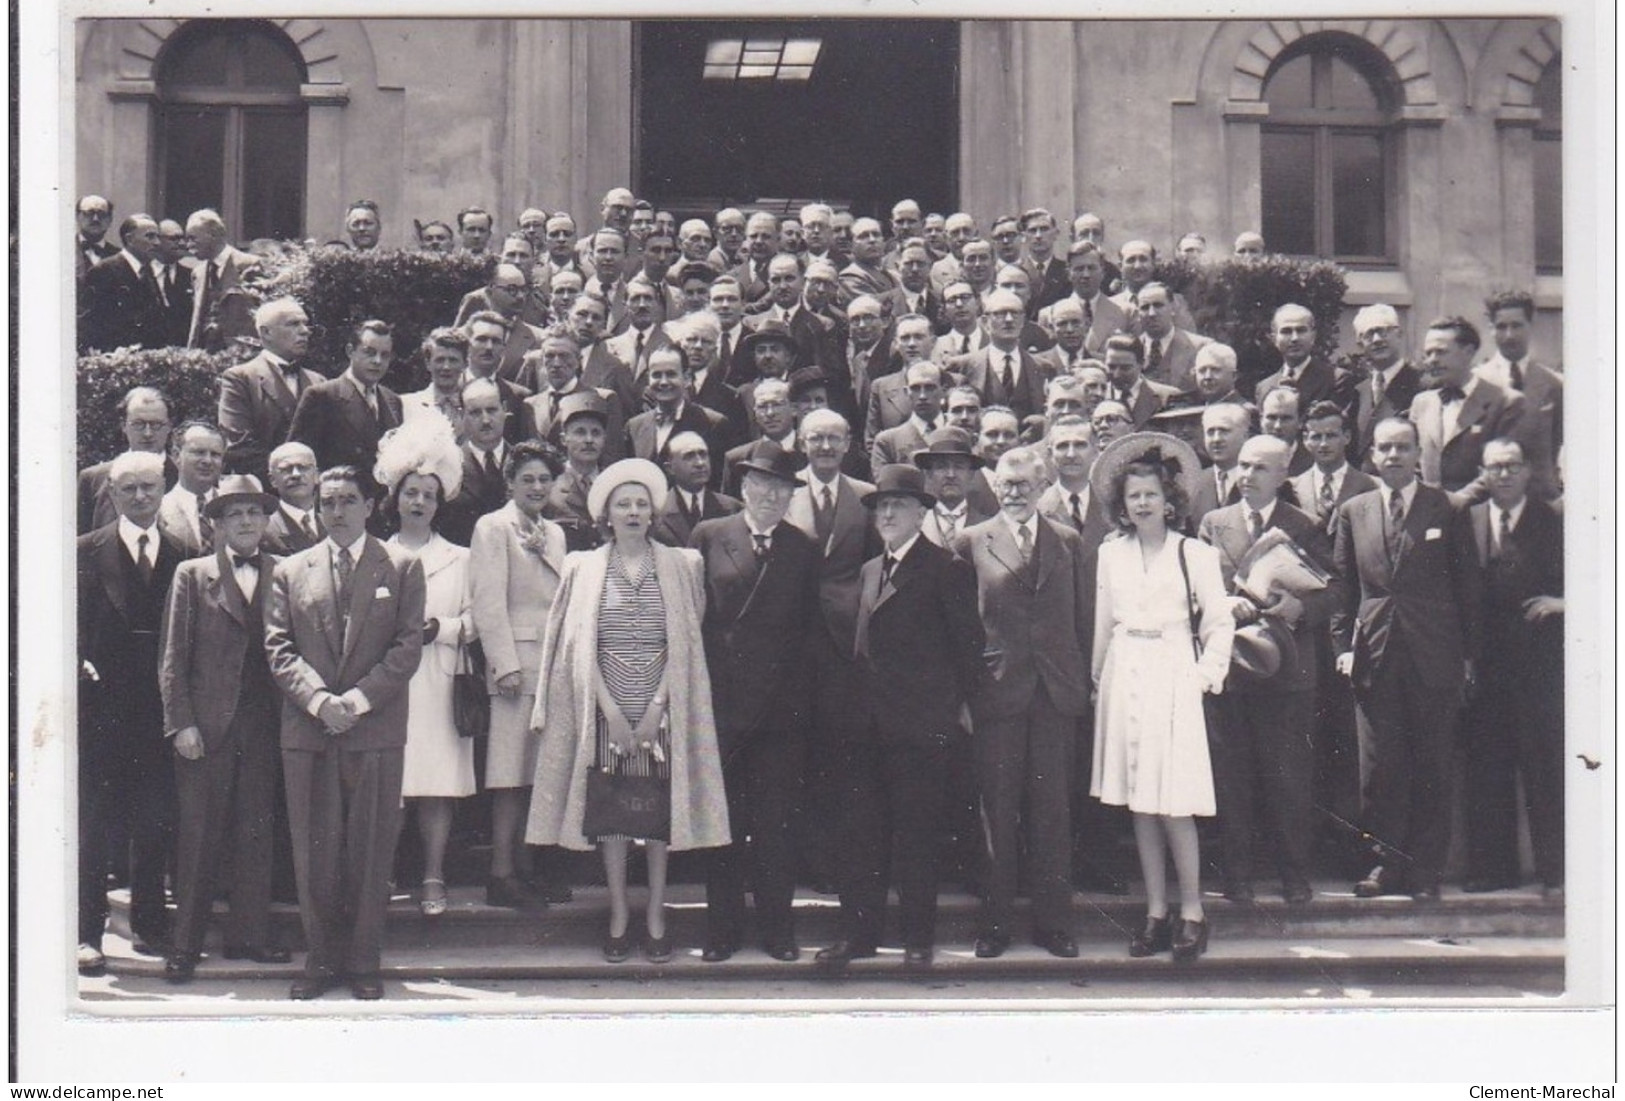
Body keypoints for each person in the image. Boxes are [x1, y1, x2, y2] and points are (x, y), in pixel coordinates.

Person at [528, 458, 730, 963]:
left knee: (658, 813)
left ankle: (657, 914)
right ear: (608, 514)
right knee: (613, 814)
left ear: (654, 512)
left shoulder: (682, 565)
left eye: (642, 504)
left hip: (661, 705)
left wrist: (658, 705)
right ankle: (619, 913)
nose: (634, 512)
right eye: (624, 504)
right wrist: (611, 711)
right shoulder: (584, 566)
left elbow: (684, 640)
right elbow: (578, 646)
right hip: (604, 707)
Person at [263, 464, 426, 1000]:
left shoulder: (400, 566)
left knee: (370, 850)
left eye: (348, 501)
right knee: (315, 851)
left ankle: (363, 962)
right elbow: (279, 648)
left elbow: (406, 648)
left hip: (373, 730)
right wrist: (318, 701)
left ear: (368, 506)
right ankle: (320, 960)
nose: (336, 511)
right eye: (327, 501)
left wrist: (354, 702)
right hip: (309, 733)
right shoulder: (290, 570)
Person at [816, 464, 985, 972]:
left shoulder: (946, 567)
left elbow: (968, 650)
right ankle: (859, 936)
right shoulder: (871, 570)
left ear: (920, 513)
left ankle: (917, 939)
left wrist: (942, 717)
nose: (887, 513)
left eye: (898, 505)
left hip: (919, 729)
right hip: (866, 729)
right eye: (880, 506)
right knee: (861, 833)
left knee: (916, 834)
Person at [1090, 432, 1233, 960]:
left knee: (1174, 803)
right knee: (1141, 806)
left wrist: (1202, 677)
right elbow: (1104, 623)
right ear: (1121, 506)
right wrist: (1097, 679)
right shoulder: (1111, 554)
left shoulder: (1193, 553)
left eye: (1151, 494)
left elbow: (1219, 622)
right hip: (1125, 674)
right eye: (1134, 497)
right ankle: (1155, 911)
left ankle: (1192, 911)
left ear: (1170, 500)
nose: (1143, 503)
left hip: (1173, 675)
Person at [953, 446, 1095, 959]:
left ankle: (1053, 924)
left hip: (1055, 693)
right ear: (995, 488)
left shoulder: (1068, 540)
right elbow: (961, 627)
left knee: (1052, 812)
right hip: (996, 692)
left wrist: (1081, 681)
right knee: (998, 811)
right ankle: (995, 925)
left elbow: (1082, 618)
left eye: (1026, 485)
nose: (1015, 493)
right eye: (1007, 485)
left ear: (1043, 486)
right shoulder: (970, 541)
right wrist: (964, 695)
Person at [1331, 417, 1482, 901]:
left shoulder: (1448, 508)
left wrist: (1467, 657)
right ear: (1371, 455)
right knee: (1380, 767)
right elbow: (1342, 590)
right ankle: (1385, 865)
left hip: (1435, 655)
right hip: (1375, 655)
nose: (1393, 456)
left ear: (1419, 453)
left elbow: (1469, 590)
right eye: (1384, 448)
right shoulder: (1354, 510)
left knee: (1433, 764)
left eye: (1403, 447)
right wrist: (1344, 649)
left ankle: (1425, 872)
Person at [688, 440, 820, 962]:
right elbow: (695, 621)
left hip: (780, 714)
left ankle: (777, 929)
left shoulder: (804, 547)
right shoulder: (709, 537)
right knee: (722, 824)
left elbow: (809, 635)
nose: (769, 495)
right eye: (760, 484)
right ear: (743, 488)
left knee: (776, 825)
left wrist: (797, 706)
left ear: (791, 496)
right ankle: (722, 930)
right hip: (721, 709)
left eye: (781, 488)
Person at [1198, 435, 1342, 905]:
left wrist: (1297, 606)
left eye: (1260, 468)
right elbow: (1197, 588)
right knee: (1232, 776)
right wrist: (1225, 603)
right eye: (1242, 466)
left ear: (1283, 474)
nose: (1247, 475)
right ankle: (1237, 875)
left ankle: (1293, 875)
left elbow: (1335, 591)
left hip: (1288, 670)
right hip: (1232, 667)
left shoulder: (1305, 524)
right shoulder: (1213, 523)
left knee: (1288, 777)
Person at [157, 474, 290, 982]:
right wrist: (181, 723)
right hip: (207, 728)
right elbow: (173, 657)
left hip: (264, 726)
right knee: (198, 835)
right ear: (216, 522)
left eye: (254, 512)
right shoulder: (192, 575)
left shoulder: (283, 571)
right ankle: (185, 945)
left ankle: (249, 936)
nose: (246, 521)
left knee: (256, 832)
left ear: (266, 520)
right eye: (235, 513)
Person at [77, 451, 185, 976]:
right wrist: (77, 664)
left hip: (159, 711)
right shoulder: (85, 552)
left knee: (154, 820)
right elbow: (65, 627)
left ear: (163, 487)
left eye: (149, 486)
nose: (140, 497)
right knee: (96, 825)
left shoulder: (186, 555)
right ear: (112, 496)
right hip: (103, 710)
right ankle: (87, 934)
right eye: (129, 489)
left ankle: (149, 927)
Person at [375, 421, 477, 918]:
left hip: (439, 679)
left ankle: (433, 873)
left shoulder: (459, 558)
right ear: (396, 498)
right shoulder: (376, 556)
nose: (419, 502)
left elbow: (481, 617)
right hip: (391, 685)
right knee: (391, 783)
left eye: (429, 495)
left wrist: (447, 628)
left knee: (437, 783)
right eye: (411, 493)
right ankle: (383, 873)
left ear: (440, 503)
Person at [469, 440, 574, 908]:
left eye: (544, 479)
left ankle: (530, 868)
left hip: (552, 664)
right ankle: (500, 872)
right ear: (509, 482)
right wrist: (504, 665)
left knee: (539, 773)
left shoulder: (555, 533)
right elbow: (488, 602)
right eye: (526, 478)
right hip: (515, 666)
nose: (536, 487)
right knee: (508, 774)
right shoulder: (492, 527)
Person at [1462, 439, 1563, 898]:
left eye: (1511, 465)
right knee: (1488, 770)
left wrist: (1561, 603)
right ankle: (1493, 871)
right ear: (1483, 473)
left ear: (1526, 471)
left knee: (1545, 770)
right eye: (1494, 467)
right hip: (1486, 668)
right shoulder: (1470, 520)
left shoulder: (1553, 520)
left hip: (1539, 666)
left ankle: (1554, 871)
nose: (1503, 474)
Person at [1410, 316, 1525, 498]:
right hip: (1429, 517)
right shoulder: (1422, 403)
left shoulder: (1506, 402)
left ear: (1469, 352)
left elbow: (1504, 467)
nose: (1432, 360)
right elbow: (1414, 463)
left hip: (1479, 517)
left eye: (1440, 352)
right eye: (1428, 353)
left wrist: (1457, 502)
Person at [218, 298, 323, 481]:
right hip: (265, 492)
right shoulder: (240, 378)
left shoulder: (318, 381)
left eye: (306, 324)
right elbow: (239, 446)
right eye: (293, 324)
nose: (305, 331)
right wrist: (288, 478)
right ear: (266, 332)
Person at [286, 320, 404, 476]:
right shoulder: (322, 396)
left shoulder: (392, 400)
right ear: (350, 351)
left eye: (385, 355)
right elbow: (297, 459)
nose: (377, 361)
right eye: (369, 352)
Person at [1476, 289, 1563, 501]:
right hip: (1490, 502)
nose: (1509, 335)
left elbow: (1559, 442)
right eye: (1501, 327)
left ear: (1531, 325)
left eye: (1516, 326)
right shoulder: (1477, 381)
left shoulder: (1554, 384)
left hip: (1541, 501)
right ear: (1490, 329)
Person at [78, 386, 176, 534]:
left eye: (156, 425)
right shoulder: (93, 480)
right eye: (138, 424)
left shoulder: (184, 477)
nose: (147, 433)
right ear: (124, 426)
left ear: (169, 426)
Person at [1347, 303, 1422, 469]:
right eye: (1369, 334)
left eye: (1383, 331)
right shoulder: (1359, 391)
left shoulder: (1421, 385)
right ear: (1360, 344)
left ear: (1399, 334)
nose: (1377, 340)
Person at [79, 213, 165, 354]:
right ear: (130, 239)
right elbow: (90, 324)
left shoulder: (148, 271)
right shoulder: (104, 271)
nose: (157, 243)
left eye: (157, 237)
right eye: (150, 236)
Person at [184, 208, 259, 351]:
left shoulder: (249, 265)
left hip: (240, 355)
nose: (188, 246)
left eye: (193, 238)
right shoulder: (197, 273)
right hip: (206, 355)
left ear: (213, 235)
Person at [652, 431, 741, 548]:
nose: (700, 463)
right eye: (689, 456)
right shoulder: (656, 513)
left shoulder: (734, 509)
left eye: (703, 454)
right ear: (670, 468)